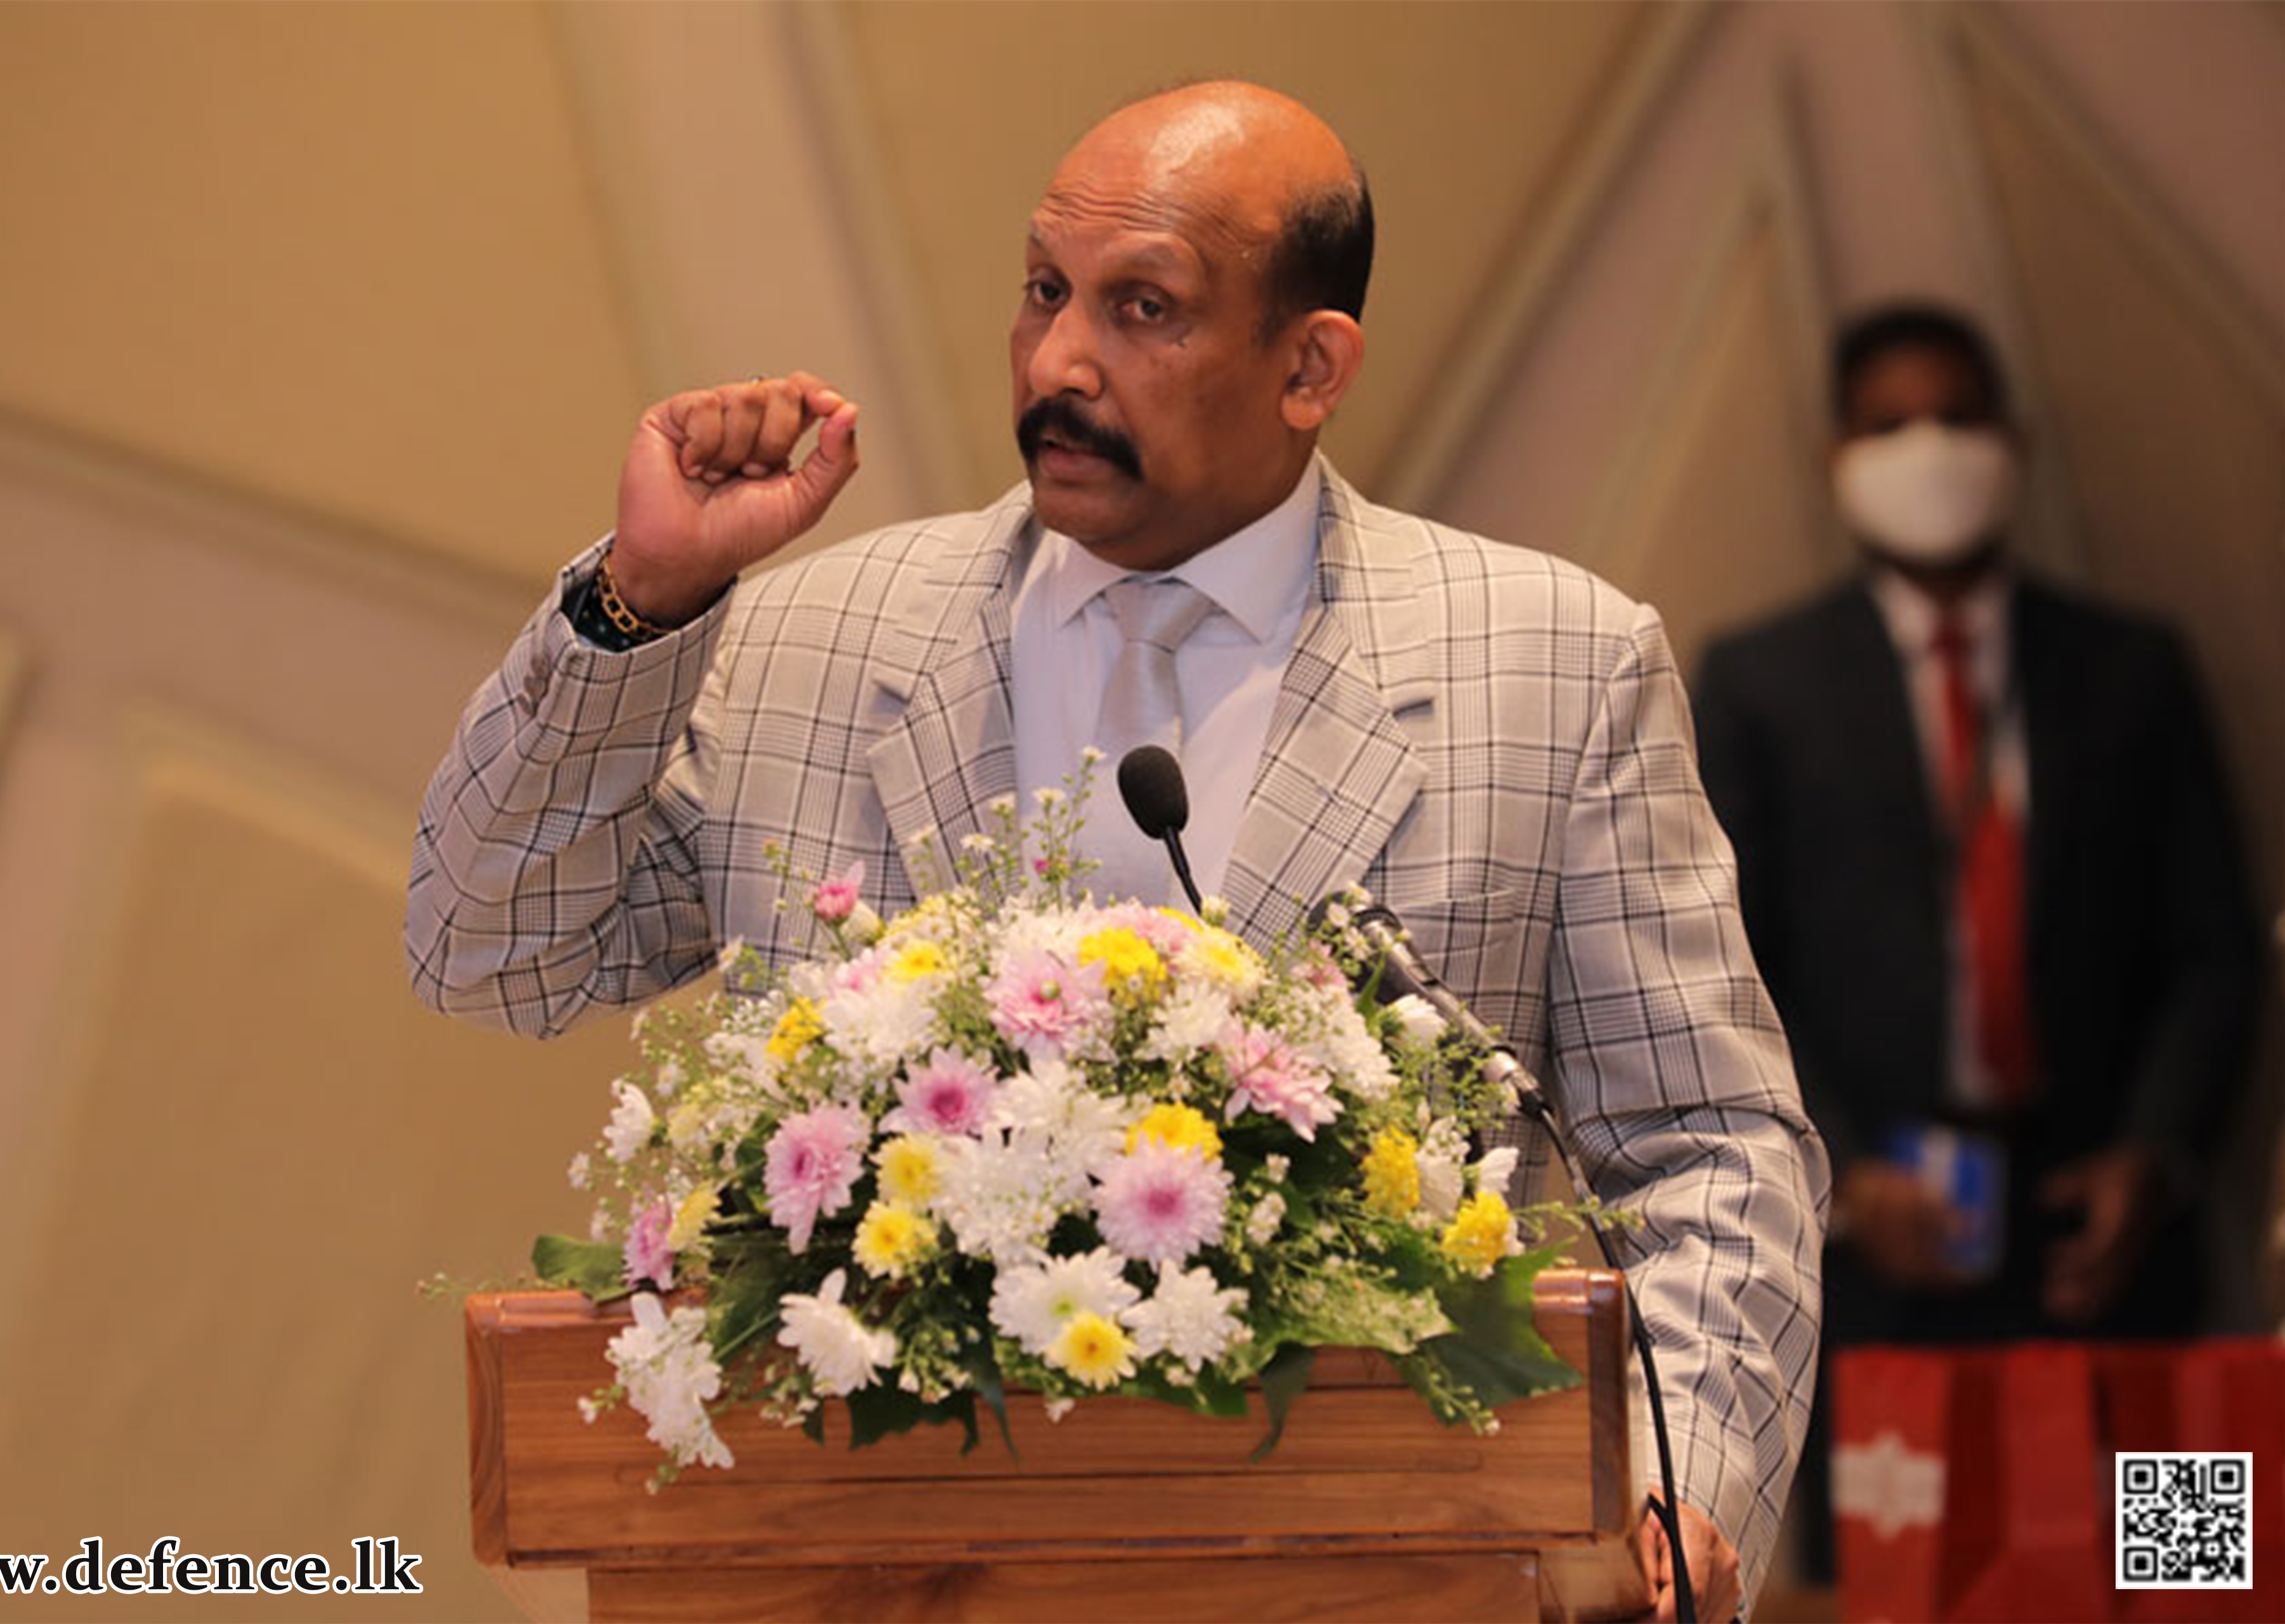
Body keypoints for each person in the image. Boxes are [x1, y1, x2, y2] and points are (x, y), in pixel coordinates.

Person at [409, 81, 1826, 1621]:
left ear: (1309, 366)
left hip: (1382, 1564)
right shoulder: (813, 638)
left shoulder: (1552, 666)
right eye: (1043, 292)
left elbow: (1709, 1149)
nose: (1060, 362)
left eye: (1142, 307)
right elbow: (490, 942)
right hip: (871, 1560)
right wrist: (640, 604)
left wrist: (1677, 1487)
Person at [1691, 303, 2260, 1578]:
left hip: (2115, 1246)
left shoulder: (2133, 667)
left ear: (2012, 438)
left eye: (1956, 414)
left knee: (2177, 1587)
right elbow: (1722, 973)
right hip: (1882, 1256)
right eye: (1891, 424)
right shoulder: (1761, 682)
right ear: (1837, 452)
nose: (1929, 446)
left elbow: (2217, 949)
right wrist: (1839, 1176)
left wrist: (2159, 1159)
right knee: (1914, 1587)